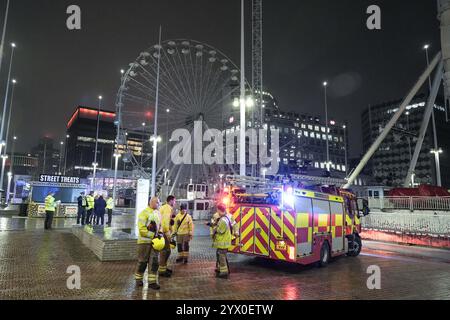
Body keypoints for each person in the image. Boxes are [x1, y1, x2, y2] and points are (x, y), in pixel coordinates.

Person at [134, 197, 163, 290]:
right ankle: (138, 279)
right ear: (151, 202)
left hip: (155, 243)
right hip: (144, 243)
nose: (159, 204)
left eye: (159, 202)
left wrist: (160, 233)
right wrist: (152, 235)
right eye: (157, 202)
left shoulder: (158, 213)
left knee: (154, 262)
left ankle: (152, 282)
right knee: (142, 262)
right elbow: (142, 229)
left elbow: (160, 226)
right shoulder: (144, 213)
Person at [212, 204, 233, 279]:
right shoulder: (223, 218)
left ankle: (224, 272)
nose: (217, 211)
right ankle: (222, 269)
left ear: (219, 210)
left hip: (223, 241)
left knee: (222, 257)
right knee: (222, 255)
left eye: (217, 210)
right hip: (223, 241)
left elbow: (220, 230)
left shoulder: (223, 220)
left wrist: (215, 229)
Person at [158, 195, 176, 277]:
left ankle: (163, 267)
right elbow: (165, 222)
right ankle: (162, 270)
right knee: (165, 251)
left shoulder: (164, 207)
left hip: (162, 232)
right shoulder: (167, 208)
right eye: (174, 201)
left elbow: (168, 221)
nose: (175, 203)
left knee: (167, 251)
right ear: (171, 201)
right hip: (164, 232)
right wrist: (168, 234)